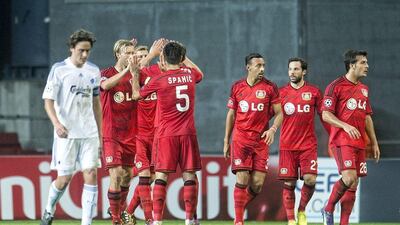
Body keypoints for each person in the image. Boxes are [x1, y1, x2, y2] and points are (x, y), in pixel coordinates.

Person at [131, 41, 204, 225]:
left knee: (161, 176)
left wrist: (133, 76)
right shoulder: (189, 75)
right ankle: (189, 219)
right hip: (188, 133)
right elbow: (200, 74)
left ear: (163, 58)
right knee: (189, 175)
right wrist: (184, 58)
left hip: (166, 134)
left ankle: (157, 221)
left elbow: (136, 96)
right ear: (180, 58)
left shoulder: (160, 79)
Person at [40, 29, 102, 225]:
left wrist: (100, 134)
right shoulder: (59, 70)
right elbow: (48, 101)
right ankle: (49, 209)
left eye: (88, 51)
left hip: (89, 133)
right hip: (66, 134)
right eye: (81, 50)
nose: (84, 55)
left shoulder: (94, 70)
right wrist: (57, 124)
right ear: (72, 48)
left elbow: (96, 104)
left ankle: (86, 223)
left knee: (91, 173)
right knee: (64, 179)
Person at [321, 50, 380, 225]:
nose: (367, 66)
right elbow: (325, 114)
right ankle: (328, 208)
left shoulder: (363, 89)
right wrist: (345, 125)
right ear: (352, 65)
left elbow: (367, 117)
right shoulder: (335, 86)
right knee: (348, 178)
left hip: (360, 143)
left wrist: (374, 142)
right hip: (341, 141)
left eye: (367, 62)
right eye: (363, 62)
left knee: (353, 184)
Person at [223, 53, 283, 225]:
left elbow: (279, 113)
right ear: (248, 67)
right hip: (241, 140)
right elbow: (231, 114)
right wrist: (226, 140)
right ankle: (239, 220)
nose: (262, 69)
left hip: (261, 141)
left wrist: (272, 129)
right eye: (258, 65)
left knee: (256, 185)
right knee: (242, 179)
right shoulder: (237, 87)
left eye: (263, 65)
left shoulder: (270, 87)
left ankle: (238, 209)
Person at [278, 58, 323, 225]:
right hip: (287, 146)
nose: (292, 72)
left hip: (307, 146)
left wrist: (334, 132)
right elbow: (270, 114)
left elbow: (324, 116)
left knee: (310, 179)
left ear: (304, 72)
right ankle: (291, 219)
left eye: (296, 69)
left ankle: (302, 211)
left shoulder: (314, 92)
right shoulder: (281, 93)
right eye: (290, 69)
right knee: (289, 183)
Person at [125, 39, 165, 224]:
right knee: (144, 176)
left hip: (158, 134)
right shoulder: (134, 76)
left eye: (143, 56)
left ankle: (129, 211)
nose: (141, 59)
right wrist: (150, 54)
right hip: (139, 134)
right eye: (138, 57)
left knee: (154, 177)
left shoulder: (157, 72)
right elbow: (135, 74)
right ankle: (149, 219)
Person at [100, 39, 139, 225]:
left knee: (127, 176)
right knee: (115, 175)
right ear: (118, 54)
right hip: (112, 134)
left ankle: (120, 210)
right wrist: (127, 71)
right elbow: (106, 86)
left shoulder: (136, 75)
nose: (132, 56)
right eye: (128, 52)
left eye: (133, 53)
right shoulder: (105, 73)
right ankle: (116, 219)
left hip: (131, 134)